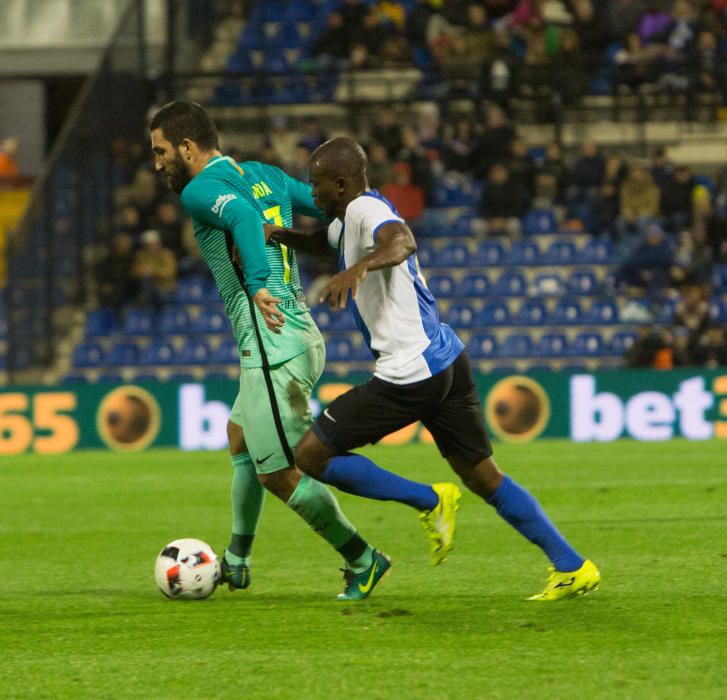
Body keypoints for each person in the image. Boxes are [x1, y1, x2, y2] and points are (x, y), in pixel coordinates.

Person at [271, 136, 600, 601]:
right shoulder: (347, 220)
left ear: (341, 185)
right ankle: (573, 565)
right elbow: (323, 246)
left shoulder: (365, 210)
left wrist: (359, 270)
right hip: (446, 358)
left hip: (410, 371)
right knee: (485, 476)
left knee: (310, 456)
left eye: (317, 186)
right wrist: (279, 237)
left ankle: (429, 499)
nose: (314, 194)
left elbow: (401, 239)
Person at [149, 101, 448, 601]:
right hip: (296, 332)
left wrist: (260, 282)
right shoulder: (265, 174)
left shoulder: (202, 189)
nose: (157, 163)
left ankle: (364, 558)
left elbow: (242, 214)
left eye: (161, 152)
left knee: (281, 473)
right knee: (241, 438)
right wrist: (378, 218)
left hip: (270, 338)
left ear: (187, 147)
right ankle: (238, 561)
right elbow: (336, 207)